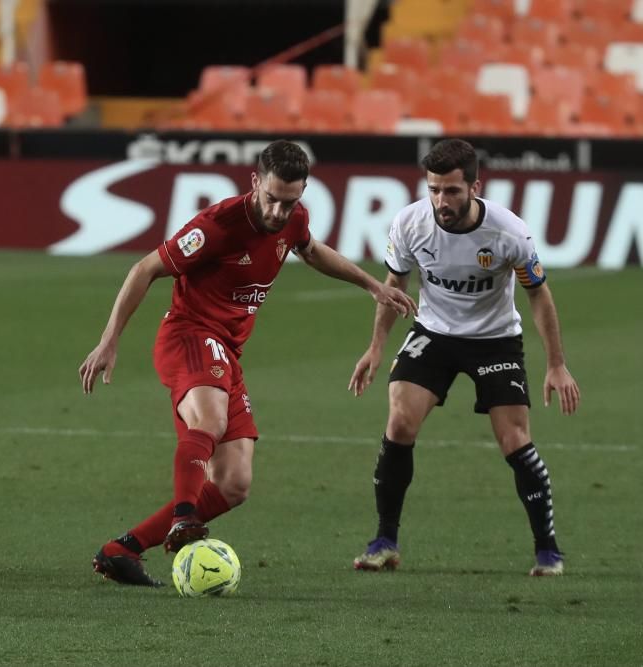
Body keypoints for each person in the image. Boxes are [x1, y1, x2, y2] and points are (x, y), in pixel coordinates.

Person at [79, 140, 418, 586]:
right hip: (189, 335)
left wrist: (373, 286)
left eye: (290, 201)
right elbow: (145, 269)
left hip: (226, 351)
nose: (279, 212)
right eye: (272, 199)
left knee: (234, 482)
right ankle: (184, 517)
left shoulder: (294, 218)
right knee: (211, 419)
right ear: (255, 182)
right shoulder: (218, 225)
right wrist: (109, 340)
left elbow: (312, 250)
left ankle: (123, 550)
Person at [347, 138, 581, 577]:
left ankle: (547, 550)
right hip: (433, 332)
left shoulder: (509, 232)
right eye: (434, 189)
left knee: (513, 439)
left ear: (476, 186)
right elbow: (392, 286)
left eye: (451, 190)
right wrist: (376, 345)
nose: (441, 200)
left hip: (495, 339)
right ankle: (385, 541)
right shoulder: (409, 223)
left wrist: (556, 362)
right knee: (399, 422)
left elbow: (538, 295)